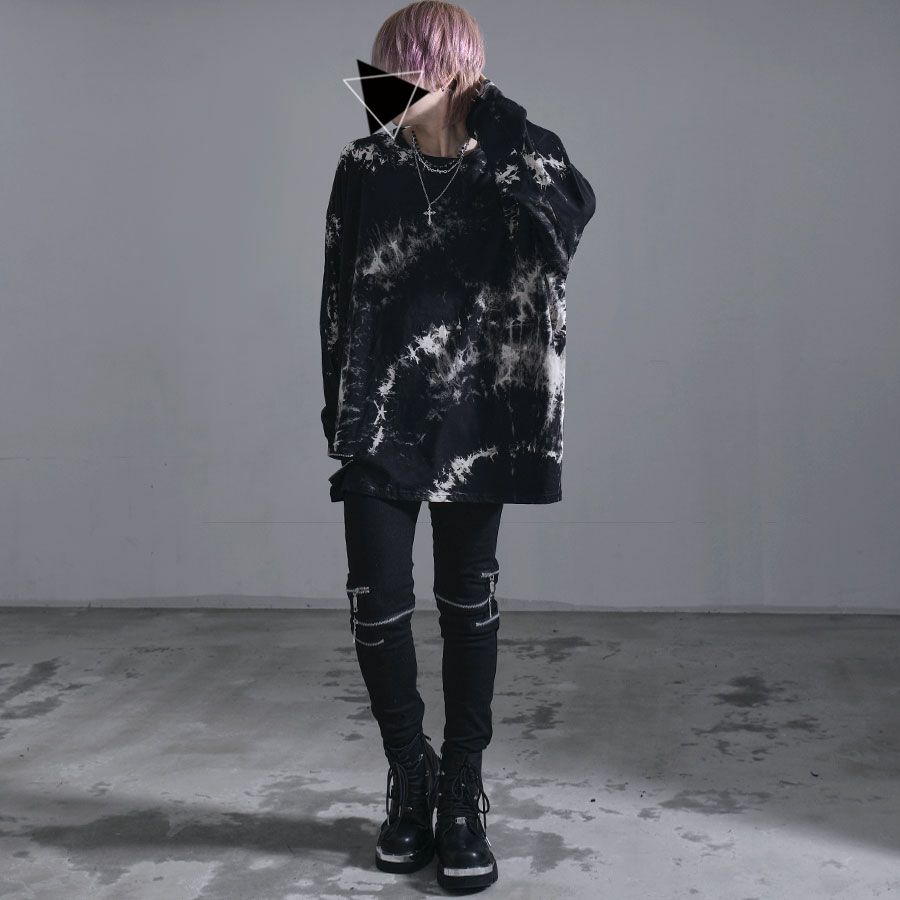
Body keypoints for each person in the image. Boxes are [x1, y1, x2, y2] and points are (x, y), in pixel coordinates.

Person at [317, 1, 596, 889]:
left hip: (478, 425)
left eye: (398, 64)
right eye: (381, 65)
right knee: (376, 606)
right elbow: (336, 292)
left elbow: (569, 222)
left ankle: (463, 790)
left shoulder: (516, 160)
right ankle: (412, 775)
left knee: (466, 604)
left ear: (440, 67)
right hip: (380, 419)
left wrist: (494, 113)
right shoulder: (365, 166)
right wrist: (338, 411)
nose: (380, 81)